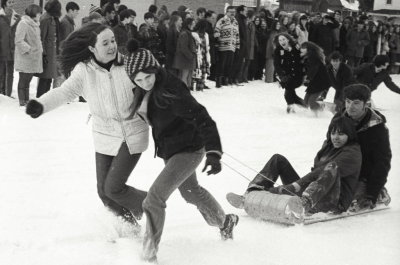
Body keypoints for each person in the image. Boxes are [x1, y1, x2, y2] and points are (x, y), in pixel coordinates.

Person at [25, 23, 149, 228]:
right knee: (104, 192)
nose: (112, 46)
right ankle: (130, 228)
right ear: (92, 48)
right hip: (104, 134)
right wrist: (41, 104)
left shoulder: (129, 65)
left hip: (132, 133)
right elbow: (65, 92)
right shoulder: (84, 71)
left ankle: (149, 203)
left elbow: (154, 87)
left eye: (113, 41)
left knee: (113, 188)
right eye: (105, 43)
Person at [125, 40, 239, 263]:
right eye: (139, 80)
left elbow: (202, 117)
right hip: (172, 149)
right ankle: (225, 222)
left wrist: (214, 152)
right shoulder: (144, 89)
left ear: (155, 69)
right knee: (191, 192)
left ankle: (148, 255)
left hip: (189, 149)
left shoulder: (171, 89)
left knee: (153, 199)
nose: (145, 83)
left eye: (148, 77)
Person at [227, 116, 361, 215]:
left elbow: (320, 172)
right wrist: (296, 186)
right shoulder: (329, 147)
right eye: (333, 133)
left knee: (332, 166)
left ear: (349, 134)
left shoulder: (352, 153)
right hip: (313, 191)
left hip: (333, 199)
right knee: (277, 159)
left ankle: (304, 205)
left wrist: (294, 186)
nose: (336, 137)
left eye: (341, 134)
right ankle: (250, 195)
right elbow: (315, 173)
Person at [334, 84, 392, 211]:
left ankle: (378, 192)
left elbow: (382, 162)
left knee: (347, 202)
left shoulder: (377, 128)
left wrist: (372, 193)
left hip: (363, 175)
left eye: (356, 103)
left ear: (366, 104)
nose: (350, 107)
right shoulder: (339, 119)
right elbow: (328, 146)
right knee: (326, 196)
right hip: (341, 170)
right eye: (348, 102)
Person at [14, 4, 42, 106]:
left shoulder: (35, 24)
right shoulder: (23, 23)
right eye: (39, 13)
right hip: (25, 57)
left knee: (28, 81)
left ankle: (26, 99)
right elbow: (18, 40)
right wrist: (29, 49)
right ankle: (22, 100)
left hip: (33, 58)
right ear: (34, 13)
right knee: (23, 80)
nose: (40, 15)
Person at [273, 33, 306, 113]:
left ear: (288, 39)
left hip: (297, 75)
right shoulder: (278, 50)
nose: (282, 41)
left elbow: (301, 58)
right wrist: (282, 75)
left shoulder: (295, 47)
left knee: (288, 92)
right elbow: (277, 65)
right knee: (290, 92)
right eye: (280, 40)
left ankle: (291, 107)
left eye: (283, 39)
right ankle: (304, 105)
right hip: (286, 76)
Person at [35, 0, 61, 97]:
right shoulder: (45, 19)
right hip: (47, 54)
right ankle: (40, 98)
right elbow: (41, 38)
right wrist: (43, 54)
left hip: (51, 53)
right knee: (44, 78)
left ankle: (45, 98)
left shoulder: (51, 18)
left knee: (49, 77)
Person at [300, 41, 331, 113]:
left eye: (303, 48)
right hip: (315, 81)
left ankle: (325, 109)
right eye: (301, 47)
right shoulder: (309, 56)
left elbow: (313, 69)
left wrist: (307, 78)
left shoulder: (312, 56)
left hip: (321, 82)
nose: (301, 49)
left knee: (312, 103)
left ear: (309, 49)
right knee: (305, 102)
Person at [214, 6, 239, 88]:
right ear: (226, 12)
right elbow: (216, 31)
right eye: (231, 12)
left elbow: (237, 35)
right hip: (223, 46)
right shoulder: (222, 20)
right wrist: (217, 42)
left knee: (229, 64)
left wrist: (238, 46)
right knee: (222, 64)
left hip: (232, 46)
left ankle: (225, 80)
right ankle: (218, 81)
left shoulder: (236, 22)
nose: (232, 13)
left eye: (234, 12)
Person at [0, 0, 19, 97]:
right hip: (2, 50)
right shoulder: (0, 17)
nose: (12, 4)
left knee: (10, 74)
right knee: (1, 73)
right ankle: (1, 94)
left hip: (12, 50)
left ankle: (8, 94)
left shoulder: (17, 17)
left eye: (13, 2)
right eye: (9, 2)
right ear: (4, 4)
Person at [172, 17, 196, 89]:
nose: (194, 26)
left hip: (185, 59)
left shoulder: (186, 33)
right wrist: (190, 56)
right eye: (193, 24)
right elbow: (183, 47)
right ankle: (184, 90)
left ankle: (185, 90)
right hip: (184, 59)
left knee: (186, 76)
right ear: (189, 25)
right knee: (184, 76)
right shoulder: (185, 34)